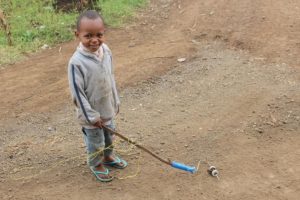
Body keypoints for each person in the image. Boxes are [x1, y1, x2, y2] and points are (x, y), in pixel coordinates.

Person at [68, 10, 127, 182]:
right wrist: (92, 117)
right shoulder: (76, 63)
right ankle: (96, 163)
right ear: (77, 35)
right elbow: (77, 95)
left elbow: (111, 78)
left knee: (109, 136)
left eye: (99, 35)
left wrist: (115, 102)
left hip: (107, 108)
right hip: (91, 115)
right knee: (95, 142)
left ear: (104, 33)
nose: (95, 40)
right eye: (88, 36)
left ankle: (108, 157)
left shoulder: (106, 51)